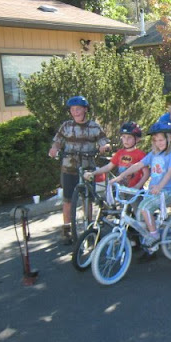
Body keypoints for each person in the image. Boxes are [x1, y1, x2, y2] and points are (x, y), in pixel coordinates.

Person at [48, 95, 110, 245]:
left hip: (88, 168)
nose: (75, 112)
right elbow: (57, 141)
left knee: (87, 199)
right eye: (72, 109)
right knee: (68, 199)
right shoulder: (66, 126)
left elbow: (105, 142)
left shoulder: (94, 127)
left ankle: (89, 227)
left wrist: (104, 147)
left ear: (85, 110)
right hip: (69, 167)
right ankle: (66, 229)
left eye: (78, 109)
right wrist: (54, 149)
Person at [110, 122, 171, 247]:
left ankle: (154, 235)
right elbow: (138, 165)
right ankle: (149, 240)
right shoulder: (153, 154)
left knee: (144, 208)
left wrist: (159, 187)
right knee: (140, 215)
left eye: (161, 140)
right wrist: (121, 176)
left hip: (166, 192)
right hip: (153, 192)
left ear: (169, 139)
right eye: (156, 140)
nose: (158, 143)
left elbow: (170, 172)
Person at [84, 122, 148, 189]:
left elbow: (146, 174)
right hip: (120, 190)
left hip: (135, 191)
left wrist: (138, 186)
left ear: (137, 139)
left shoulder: (140, 154)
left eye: (129, 137)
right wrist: (93, 173)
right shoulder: (120, 153)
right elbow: (108, 167)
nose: (126, 140)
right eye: (124, 137)